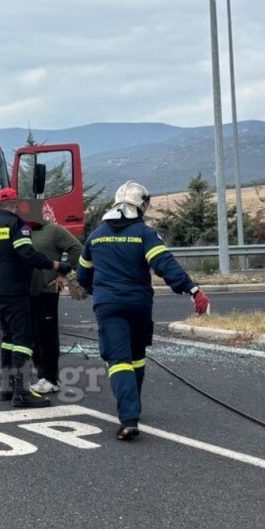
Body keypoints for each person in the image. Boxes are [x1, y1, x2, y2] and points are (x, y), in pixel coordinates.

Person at [76, 180, 210, 440]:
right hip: (138, 304)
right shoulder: (144, 233)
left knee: (118, 361)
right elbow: (164, 263)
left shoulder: (95, 236)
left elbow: (83, 277)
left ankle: (128, 417)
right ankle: (132, 407)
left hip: (108, 305)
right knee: (136, 357)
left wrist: (99, 291)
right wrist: (192, 290)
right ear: (141, 205)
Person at [0, 188, 72, 408]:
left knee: (8, 337)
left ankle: (7, 386)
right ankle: (21, 392)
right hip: (15, 290)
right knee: (24, 340)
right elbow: (27, 255)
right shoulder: (17, 226)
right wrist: (56, 265)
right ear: (15, 204)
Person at [24, 208, 82, 395]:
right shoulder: (24, 231)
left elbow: (77, 248)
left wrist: (61, 274)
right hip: (26, 292)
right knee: (32, 335)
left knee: (47, 335)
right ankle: (42, 375)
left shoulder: (54, 230)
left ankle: (51, 378)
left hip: (46, 290)